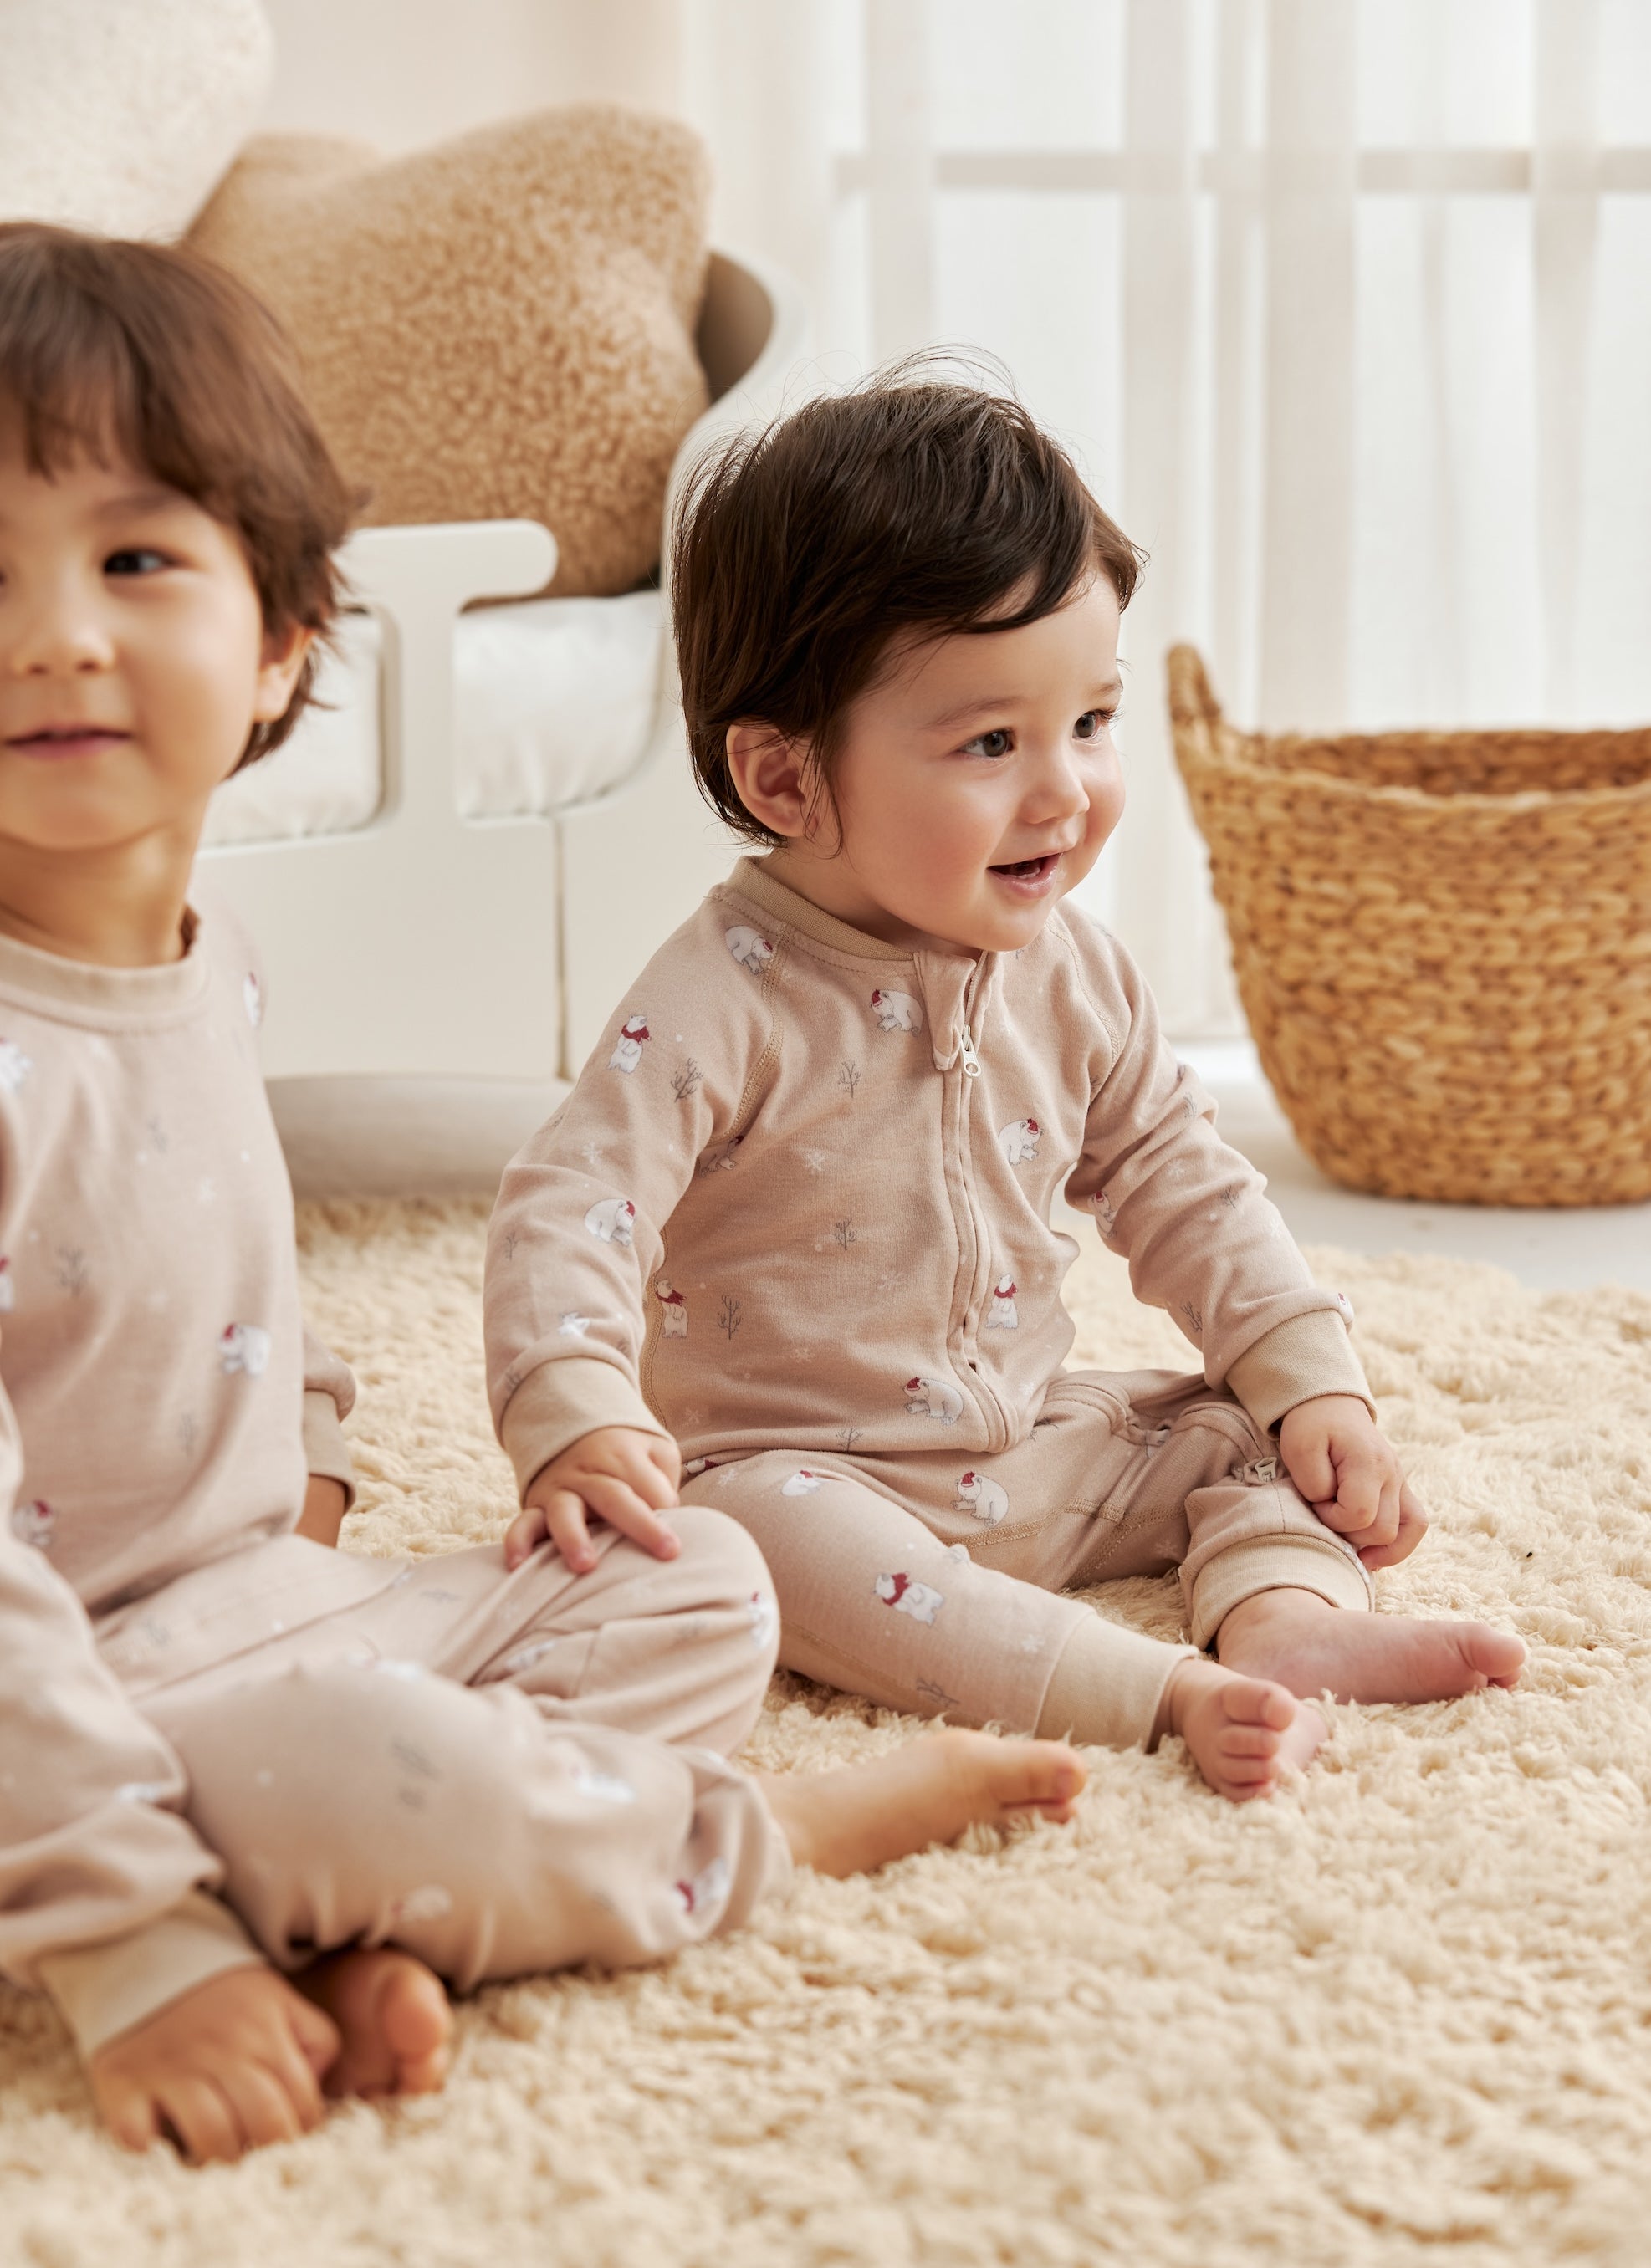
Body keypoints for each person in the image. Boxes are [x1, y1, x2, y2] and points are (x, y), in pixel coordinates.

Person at [0, 230, 1087, 2167]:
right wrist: (129, 1947)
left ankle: (363, 1907)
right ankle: (730, 1846)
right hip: (47, 1692)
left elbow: (221, 1262)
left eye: (134, 557)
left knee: (692, 1580)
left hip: (249, 1607)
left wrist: (310, 1456)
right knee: (355, 1759)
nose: (53, 632)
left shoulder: (205, 951)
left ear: (278, 639)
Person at [485, 371, 1527, 1807]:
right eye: (992, 743)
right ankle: (1148, 1689)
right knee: (735, 1540)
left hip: (1027, 1449)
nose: (1064, 792)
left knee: (1240, 1427)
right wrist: (579, 1409)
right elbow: (571, 1201)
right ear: (786, 782)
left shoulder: (1071, 973)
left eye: (1088, 723)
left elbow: (1180, 1176)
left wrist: (1312, 1384)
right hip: (806, 1476)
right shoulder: (721, 998)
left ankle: (1285, 1622)